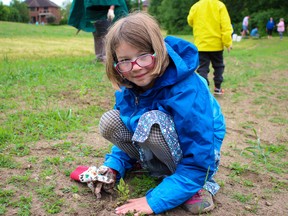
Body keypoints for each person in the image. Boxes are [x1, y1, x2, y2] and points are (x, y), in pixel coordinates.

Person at [89, 12, 225, 215]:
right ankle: (147, 165)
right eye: (125, 60)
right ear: (116, 64)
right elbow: (128, 127)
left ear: (158, 50)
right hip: (161, 145)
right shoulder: (130, 87)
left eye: (143, 56)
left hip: (200, 157)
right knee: (111, 121)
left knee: (151, 122)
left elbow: (200, 154)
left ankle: (197, 186)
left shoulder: (187, 90)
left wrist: (156, 200)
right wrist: (114, 165)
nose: (136, 68)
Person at [187, 0, 233, 95]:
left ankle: (204, 89)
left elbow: (190, 21)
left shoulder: (196, 6)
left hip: (201, 44)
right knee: (218, 66)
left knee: (203, 68)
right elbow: (225, 26)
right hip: (216, 45)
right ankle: (218, 88)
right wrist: (228, 42)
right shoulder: (219, 5)